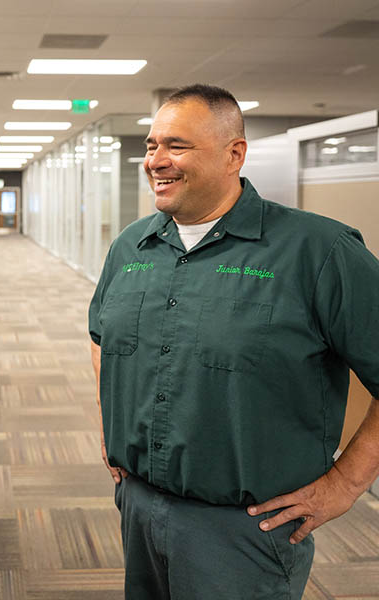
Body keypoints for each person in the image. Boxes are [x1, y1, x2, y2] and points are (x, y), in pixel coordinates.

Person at [88, 84, 379, 599]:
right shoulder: (131, 246)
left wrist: (346, 484)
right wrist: (115, 429)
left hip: (245, 529)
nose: (156, 160)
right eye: (151, 145)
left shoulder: (318, 251)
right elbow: (101, 337)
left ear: (234, 154)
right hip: (137, 506)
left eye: (176, 146)